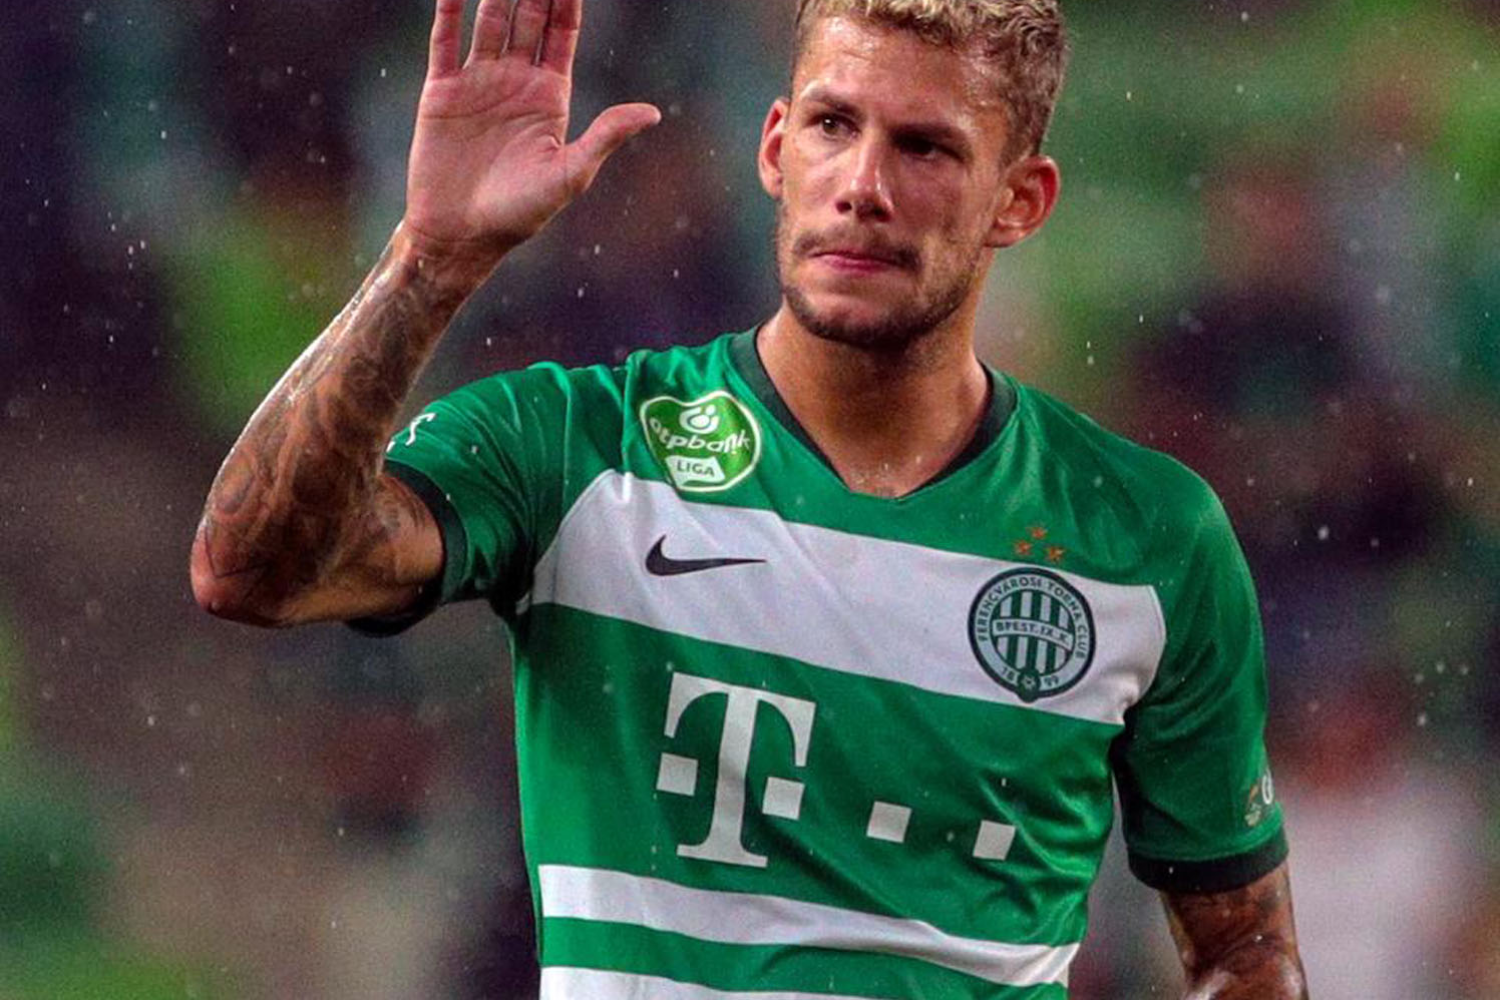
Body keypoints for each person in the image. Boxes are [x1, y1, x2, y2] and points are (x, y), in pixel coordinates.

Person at [190, 0, 1309, 995]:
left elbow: (1245, 953)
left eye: (924, 147)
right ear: (775, 147)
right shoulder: (579, 448)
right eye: (833, 125)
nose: (863, 185)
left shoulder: (1150, 539)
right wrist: (430, 261)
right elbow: (250, 570)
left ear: (1020, 200)